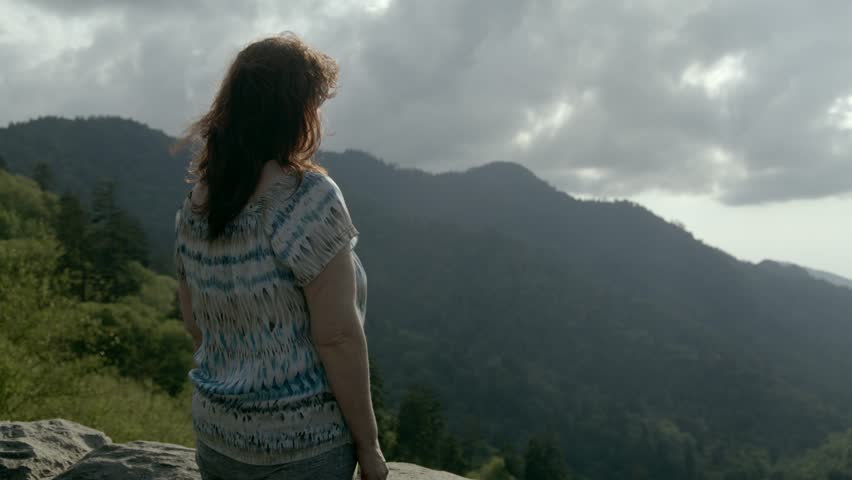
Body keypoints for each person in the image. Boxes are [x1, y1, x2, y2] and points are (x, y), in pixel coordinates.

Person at [173, 33, 388, 480]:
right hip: (301, 448)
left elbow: (195, 323)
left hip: (218, 438)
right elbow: (338, 337)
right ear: (293, 112)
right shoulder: (306, 198)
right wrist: (369, 447)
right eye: (314, 104)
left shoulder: (198, 203)